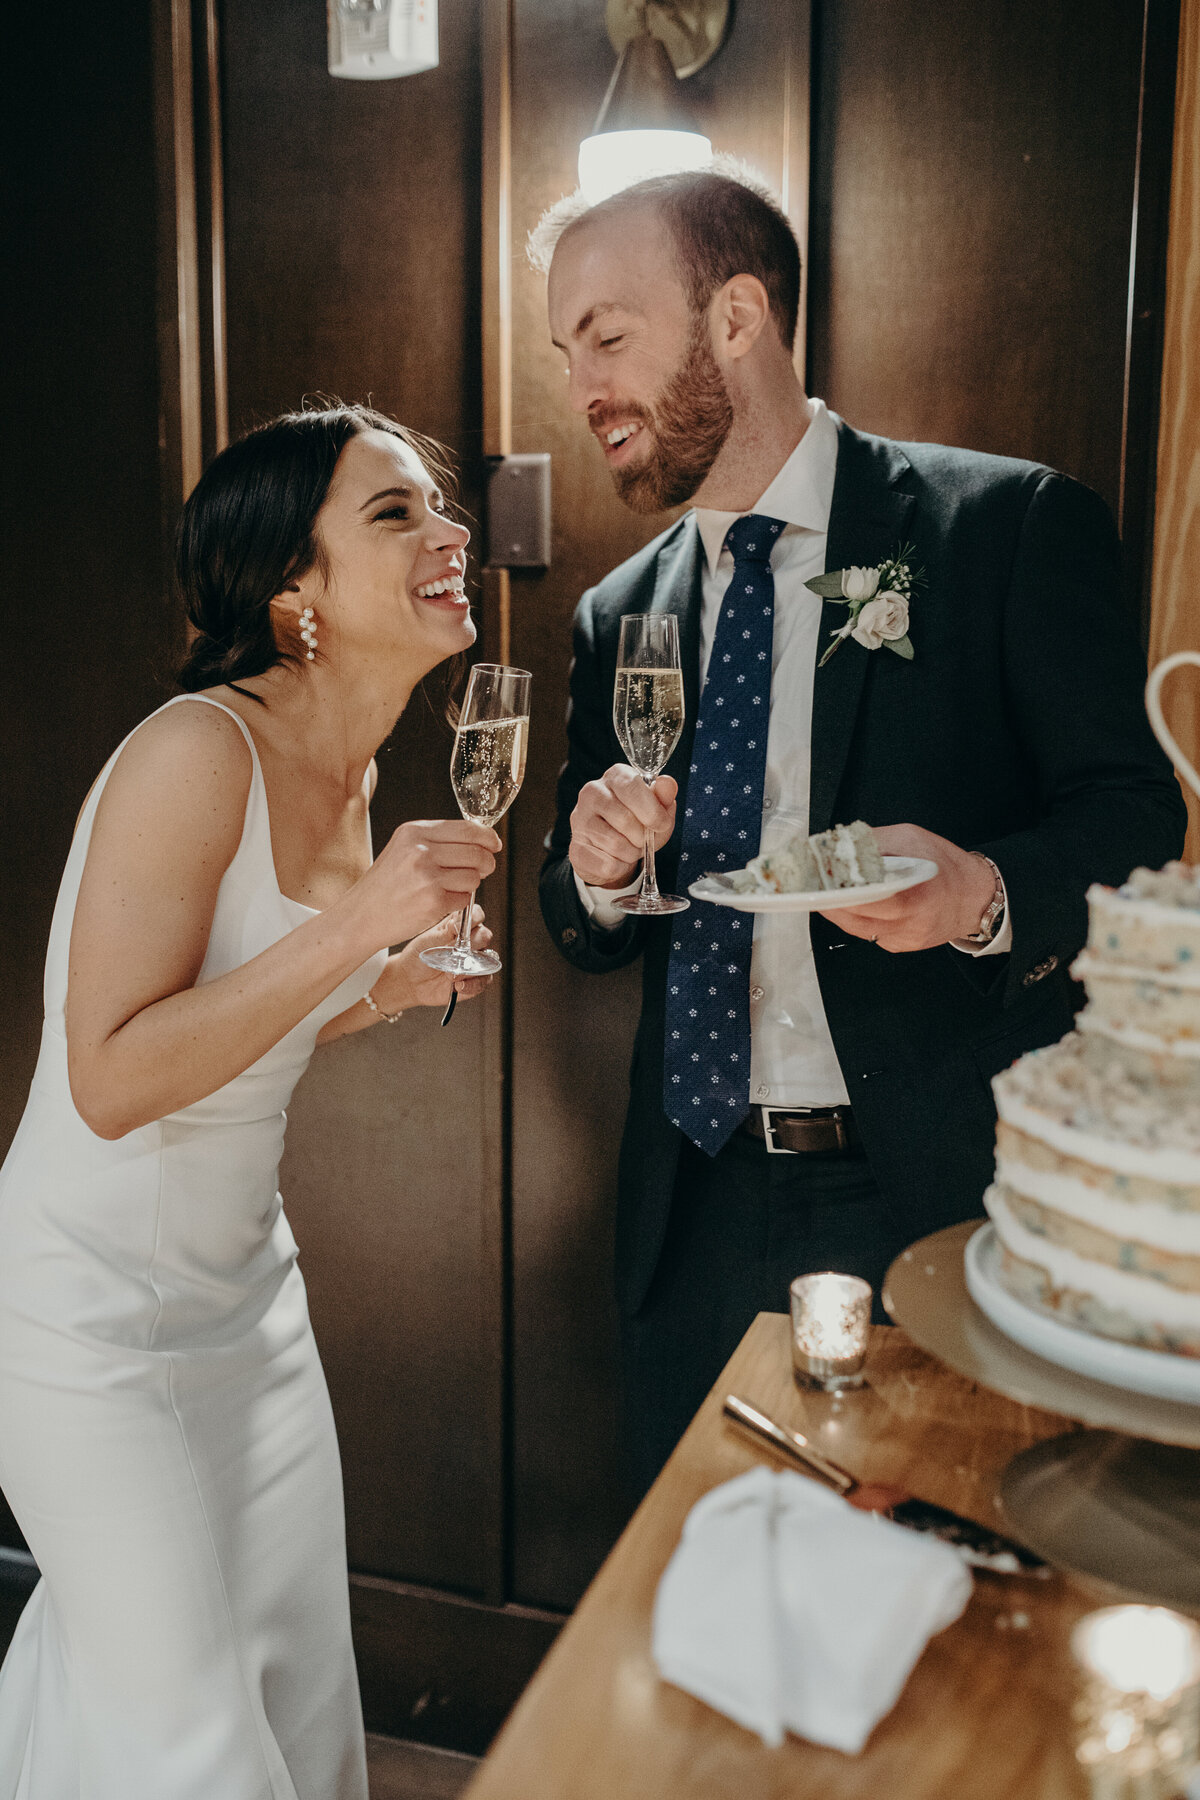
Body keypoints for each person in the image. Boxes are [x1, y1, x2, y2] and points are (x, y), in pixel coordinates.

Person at [532, 169, 1187, 1493]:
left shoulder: (1001, 530)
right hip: (694, 1201)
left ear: (737, 316)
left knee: (949, 1589)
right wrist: (598, 874)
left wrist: (983, 893)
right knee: (696, 1599)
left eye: (608, 335)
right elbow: (573, 912)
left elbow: (1137, 819)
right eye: (565, 352)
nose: (581, 383)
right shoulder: (622, 615)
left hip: (937, 1194)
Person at [0, 404, 501, 1797]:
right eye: (392, 515)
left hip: (246, 1309)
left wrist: (378, 994)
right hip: (85, 1324)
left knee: (281, 1684)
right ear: (296, 598)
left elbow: (241, 1013)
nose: (446, 531)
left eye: (433, 506)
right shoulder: (193, 752)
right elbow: (110, 1077)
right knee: (189, 1741)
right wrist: (363, 930)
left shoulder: (352, 767)